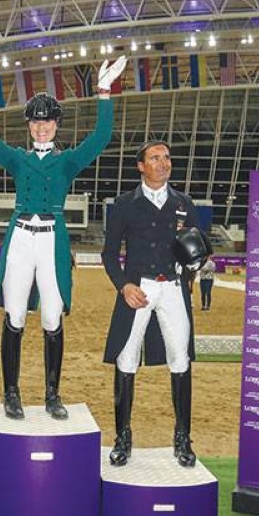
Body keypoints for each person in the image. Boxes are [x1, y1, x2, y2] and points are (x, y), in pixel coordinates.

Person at [0, 52, 127, 420]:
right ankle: (13, 392)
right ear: (29, 126)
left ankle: (52, 393)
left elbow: (101, 137)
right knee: (15, 313)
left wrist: (103, 92)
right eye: (35, 122)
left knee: (52, 316)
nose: (41, 127)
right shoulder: (18, 159)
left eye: (47, 121)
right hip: (20, 238)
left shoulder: (67, 162)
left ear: (56, 124)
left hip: (52, 238)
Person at [102, 141, 210, 468]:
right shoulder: (123, 205)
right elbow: (109, 254)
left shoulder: (183, 203)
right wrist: (124, 286)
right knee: (126, 357)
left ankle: (182, 438)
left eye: (166, 158)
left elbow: (196, 249)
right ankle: (123, 436)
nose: (163, 163)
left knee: (181, 359)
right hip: (139, 288)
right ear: (140, 166)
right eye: (154, 158)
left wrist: (194, 266)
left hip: (173, 288)